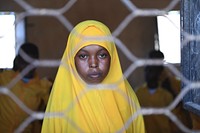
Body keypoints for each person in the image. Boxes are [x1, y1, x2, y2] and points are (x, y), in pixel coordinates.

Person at [41, 20, 145, 133]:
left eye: (102, 55)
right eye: (83, 56)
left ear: (112, 57)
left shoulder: (127, 99)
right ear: (71, 60)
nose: (94, 63)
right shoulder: (60, 104)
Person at [0, 42, 52, 133]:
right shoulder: (5, 78)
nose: (28, 66)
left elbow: (53, 107)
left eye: (32, 62)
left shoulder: (42, 87)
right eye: (24, 61)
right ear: (18, 61)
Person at [136, 60, 174, 133]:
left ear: (158, 74)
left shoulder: (166, 95)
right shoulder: (138, 92)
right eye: (146, 71)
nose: (147, 74)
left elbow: (172, 119)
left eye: (151, 71)